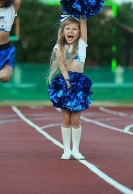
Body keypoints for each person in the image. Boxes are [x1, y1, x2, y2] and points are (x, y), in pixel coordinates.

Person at [47, 15, 92, 160]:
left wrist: (83, 5)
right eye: (67, 28)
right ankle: (66, 150)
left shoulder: (82, 44)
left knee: (76, 120)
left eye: (74, 29)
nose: (71, 31)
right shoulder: (59, 47)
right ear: (63, 31)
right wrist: (67, 82)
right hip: (65, 82)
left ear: (79, 32)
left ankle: (76, 150)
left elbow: (83, 21)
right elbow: (61, 65)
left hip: (79, 83)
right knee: (66, 118)